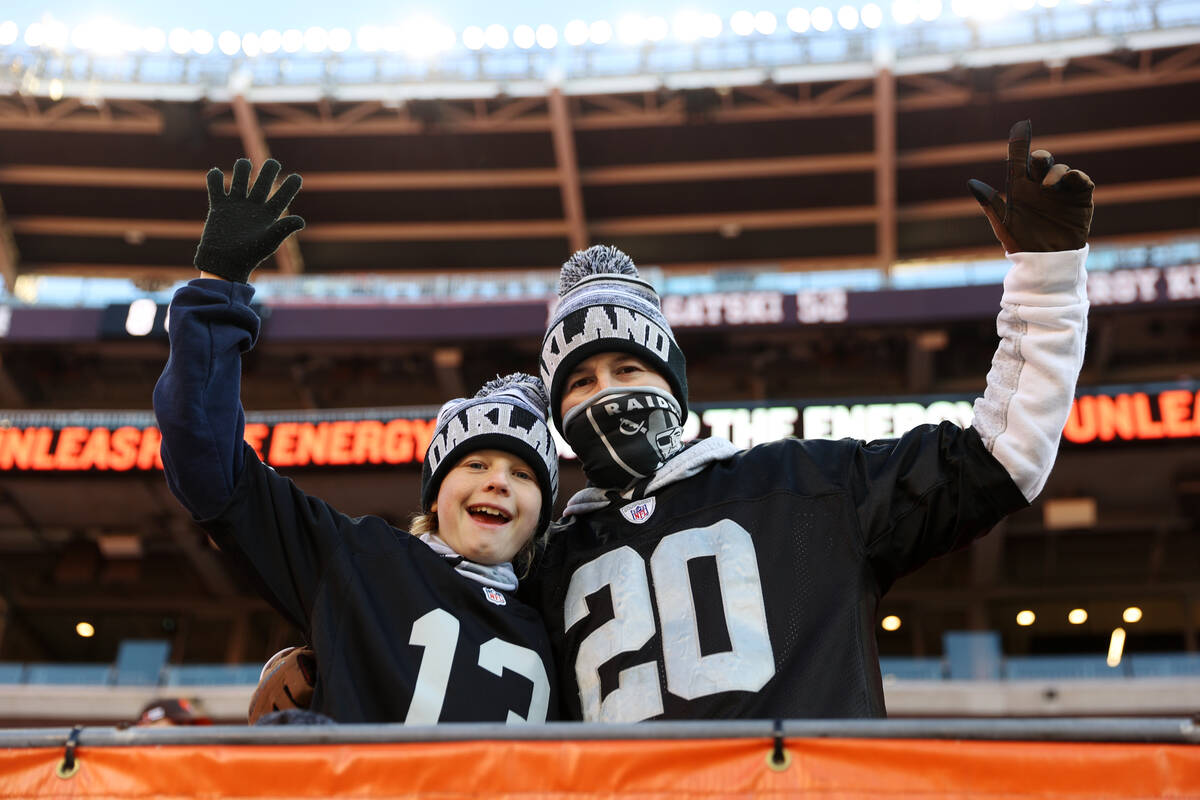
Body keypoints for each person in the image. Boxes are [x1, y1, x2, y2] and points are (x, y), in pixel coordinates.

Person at [525, 120, 1093, 721]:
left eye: (628, 370)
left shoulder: (805, 485)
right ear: (558, 413)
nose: (606, 395)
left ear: (673, 386)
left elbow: (1001, 460)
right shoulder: (546, 564)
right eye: (581, 383)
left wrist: (1047, 283)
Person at [153, 158, 560, 724]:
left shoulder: (560, 624)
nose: (498, 480)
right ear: (435, 495)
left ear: (542, 514)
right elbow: (209, 468)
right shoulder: (361, 560)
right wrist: (218, 288)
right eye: (474, 464)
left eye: (523, 474)